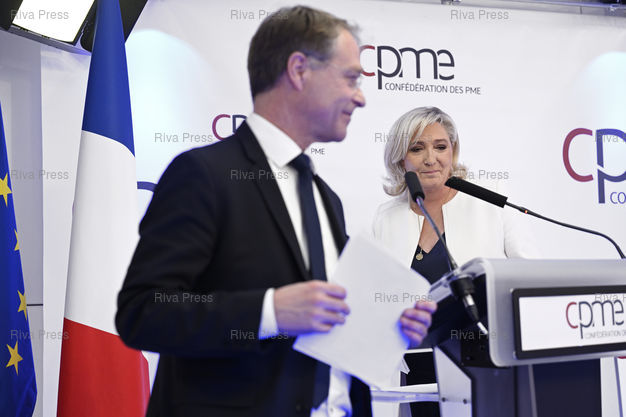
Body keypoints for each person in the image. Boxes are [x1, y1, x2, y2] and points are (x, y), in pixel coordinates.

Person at [116, 7, 436, 417]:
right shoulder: (203, 175)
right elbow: (144, 312)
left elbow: (323, 324)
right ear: (299, 70)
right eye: (351, 78)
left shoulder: (324, 197)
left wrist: (390, 326)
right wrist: (270, 312)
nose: (360, 97)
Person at [372, 106, 536, 417]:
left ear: (453, 151)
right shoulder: (387, 216)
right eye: (417, 148)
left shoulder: (491, 199)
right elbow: (379, 297)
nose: (430, 158)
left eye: (440, 146)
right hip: (418, 371)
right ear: (400, 159)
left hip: (486, 362)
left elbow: (529, 275)